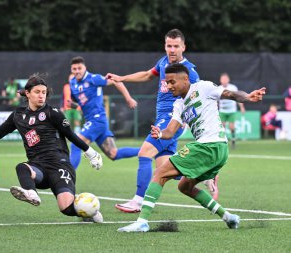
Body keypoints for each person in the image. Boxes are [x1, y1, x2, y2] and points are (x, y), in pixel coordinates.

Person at [118, 63, 266, 232]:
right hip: (217, 150)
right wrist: (159, 134)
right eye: (166, 82)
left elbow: (229, 94)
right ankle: (228, 217)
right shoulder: (178, 104)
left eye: (172, 82)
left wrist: (247, 96)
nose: (168, 86)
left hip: (209, 145)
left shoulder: (203, 87)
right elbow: (170, 131)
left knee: (160, 173)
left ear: (185, 79)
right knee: (184, 186)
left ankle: (142, 221)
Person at [0, 73, 104, 222]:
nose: (42, 96)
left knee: (66, 209)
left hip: (59, 165)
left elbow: (70, 134)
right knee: (22, 167)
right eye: (37, 92)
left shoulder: (53, 112)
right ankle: (31, 193)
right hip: (38, 167)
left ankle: (91, 211)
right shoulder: (18, 115)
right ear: (28, 93)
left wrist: (90, 152)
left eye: (44, 92)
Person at [106, 29, 217, 212]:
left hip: (172, 120)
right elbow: (148, 75)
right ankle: (204, 175)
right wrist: (122, 78)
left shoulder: (189, 71)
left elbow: (199, 99)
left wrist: (186, 119)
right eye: (168, 46)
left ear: (183, 47)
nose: (172, 50)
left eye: (176, 46)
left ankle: (138, 200)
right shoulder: (163, 62)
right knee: (164, 168)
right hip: (162, 118)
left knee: (144, 153)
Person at [69, 56, 140, 169]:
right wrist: (73, 105)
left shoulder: (93, 78)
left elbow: (116, 81)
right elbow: (81, 102)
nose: (77, 71)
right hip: (95, 122)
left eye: (79, 68)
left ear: (85, 68)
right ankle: (147, 150)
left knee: (76, 145)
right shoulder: (72, 82)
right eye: (74, 69)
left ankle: (67, 179)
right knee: (113, 154)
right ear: (71, 70)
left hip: (97, 120)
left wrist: (128, 98)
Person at [218, 73, 246, 149]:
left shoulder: (233, 87)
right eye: (222, 79)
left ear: (228, 80)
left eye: (225, 79)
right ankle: (222, 142)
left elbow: (238, 98)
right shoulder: (218, 88)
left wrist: (242, 107)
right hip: (222, 111)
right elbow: (215, 100)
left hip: (231, 111)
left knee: (231, 127)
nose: (224, 81)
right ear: (220, 80)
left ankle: (233, 140)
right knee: (221, 127)